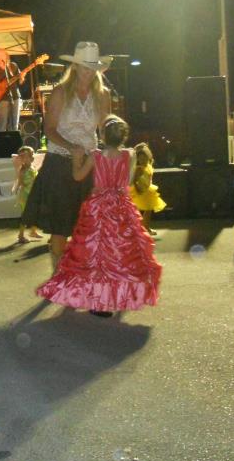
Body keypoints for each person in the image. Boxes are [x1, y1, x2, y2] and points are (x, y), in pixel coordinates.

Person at [36, 115, 161, 317]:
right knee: (121, 252)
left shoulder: (95, 155)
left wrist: (76, 161)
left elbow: (78, 177)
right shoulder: (129, 155)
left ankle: (97, 299)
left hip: (99, 208)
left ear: (102, 135)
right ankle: (119, 295)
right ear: (123, 137)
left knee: (95, 253)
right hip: (121, 208)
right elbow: (128, 182)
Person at [21, 41, 113, 272]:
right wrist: (71, 147)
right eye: (84, 67)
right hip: (60, 162)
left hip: (90, 163)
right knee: (60, 224)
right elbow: (49, 129)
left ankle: (85, 272)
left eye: (92, 68)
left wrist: (112, 146)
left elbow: (105, 129)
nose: (88, 72)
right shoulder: (60, 92)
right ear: (75, 67)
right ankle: (59, 273)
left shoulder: (102, 95)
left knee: (90, 222)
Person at [128, 142, 165, 237]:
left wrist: (142, 147)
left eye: (144, 157)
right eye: (140, 158)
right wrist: (138, 189)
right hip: (140, 191)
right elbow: (134, 181)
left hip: (147, 189)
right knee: (143, 211)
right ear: (137, 159)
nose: (142, 159)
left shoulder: (148, 165)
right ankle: (143, 228)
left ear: (148, 156)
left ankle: (145, 227)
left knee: (148, 210)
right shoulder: (139, 169)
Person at [12, 145, 43, 243]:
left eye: (32, 155)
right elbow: (21, 183)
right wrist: (30, 183)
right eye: (28, 156)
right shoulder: (23, 170)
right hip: (26, 195)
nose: (32, 157)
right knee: (25, 215)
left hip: (32, 194)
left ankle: (33, 231)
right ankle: (21, 235)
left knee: (35, 213)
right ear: (22, 159)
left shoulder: (32, 167)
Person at [0, 48, 21, 132]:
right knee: (2, 123)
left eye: (2, 55)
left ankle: (13, 139)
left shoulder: (13, 66)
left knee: (14, 124)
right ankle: (1, 140)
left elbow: (20, 80)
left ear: (6, 56)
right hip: (2, 98)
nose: (1, 57)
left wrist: (22, 78)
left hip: (15, 96)